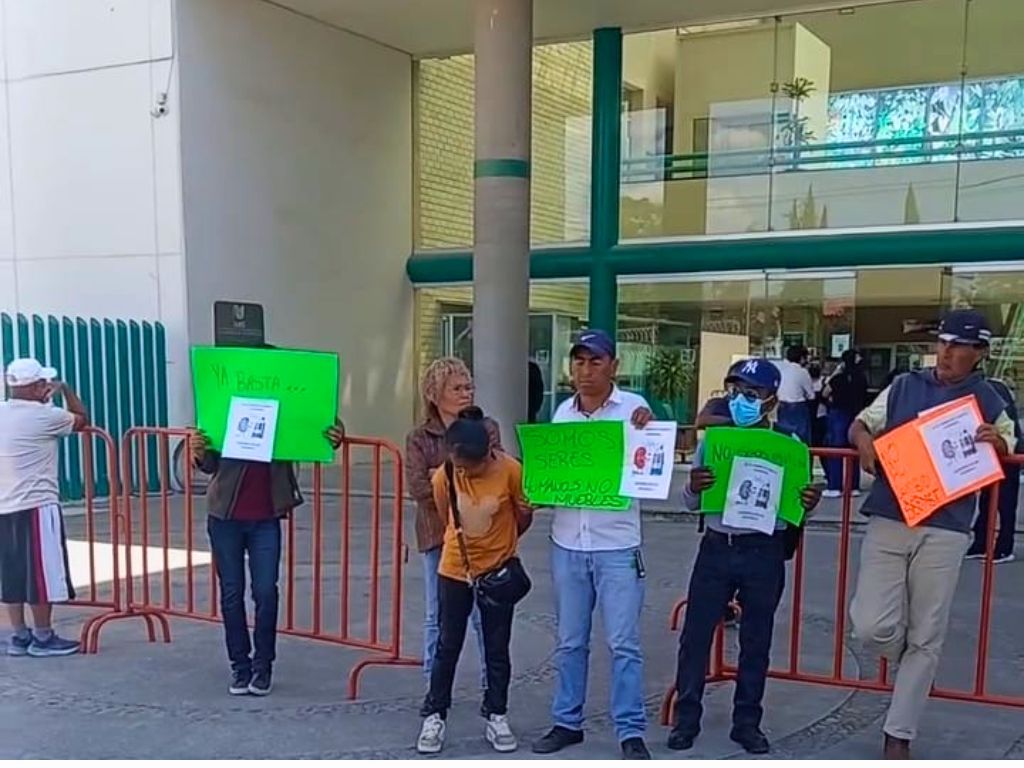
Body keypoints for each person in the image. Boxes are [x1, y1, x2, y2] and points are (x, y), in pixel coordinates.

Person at [847, 309, 1015, 760]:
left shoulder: (991, 397)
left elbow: (1009, 444)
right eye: (942, 342)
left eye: (958, 345)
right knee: (871, 624)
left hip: (946, 528)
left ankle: (898, 733)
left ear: (979, 353)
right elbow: (862, 422)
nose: (946, 352)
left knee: (928, 635)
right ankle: (914, 668)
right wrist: (864, 441)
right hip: (889, 515)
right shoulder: (904, 385)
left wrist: (996, 443)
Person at [668, 358, 821, 755]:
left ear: (771, 400)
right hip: (718, 546)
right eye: (734, 391)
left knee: (756, 639)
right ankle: (686, 719)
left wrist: (809, 501)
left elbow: (796, 507)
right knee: (696, 635)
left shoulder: (789, 447)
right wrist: (695, 488)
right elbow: (688, 504)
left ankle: (747, 722)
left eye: (751, 394)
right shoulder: (713, 443)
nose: (740, 401)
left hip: (763, 550)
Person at [531, 329, 655, 761]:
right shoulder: (562, 414)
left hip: (617, 544)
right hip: (568, 541)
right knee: (569, 641)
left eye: (595, 362)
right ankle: (567, 721)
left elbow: (650, 461)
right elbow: (553, 477)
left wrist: (648, 431)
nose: (585, 371)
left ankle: (630, 729)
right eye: (579, 362)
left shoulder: (635, 410)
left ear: (613, 366)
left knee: (623, 642)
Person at [191, 381, 345, 696]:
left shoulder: (285, 412)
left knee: (265, 592)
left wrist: (337, 431)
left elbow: (319, 422)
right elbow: (209, 464)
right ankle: (240, 666)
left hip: (266, 517)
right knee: (231, 593)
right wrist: (198, 451)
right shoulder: (224, 406)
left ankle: (263, 666)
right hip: (225, 517)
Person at [416, 407, 533, 754]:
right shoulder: (445, 476)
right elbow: (445, 515)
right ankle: (435, 714)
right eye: (465, 466)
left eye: (478, 465)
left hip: (497, 570)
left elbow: (522, 516)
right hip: (455, 571)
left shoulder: (511, 470)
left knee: (497, 648)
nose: (472, 471)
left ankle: (496, 714)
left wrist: (504, 545)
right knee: (447, 645)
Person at [406, 358, 498, 692]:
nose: (466, 393)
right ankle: (435, 689)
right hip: (437, 535)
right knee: (438, 615)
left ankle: (493, 688)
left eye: (469, 387)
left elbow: (495, 475)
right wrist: (460, 474)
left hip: (482, 536)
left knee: (485, 617)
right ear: (435, 394)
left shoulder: (486, 429)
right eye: (456, 388)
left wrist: (440, 475)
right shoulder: (419, 437)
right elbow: (417, 487)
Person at [0, 359, 90, 657]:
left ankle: (19, 635)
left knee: (11, 573)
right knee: (40, 573)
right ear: (38, 386)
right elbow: (81, 419)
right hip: (36, 504)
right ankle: (43, 635)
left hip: (4, 505)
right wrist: (65, 389)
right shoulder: (46, 416)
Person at [966, 377, 1021, 563]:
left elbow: (1008, 430)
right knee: (988, 499)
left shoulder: (991, 392)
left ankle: (1004, 547)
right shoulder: (990, 389)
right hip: (992, 453)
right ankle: (981, 543)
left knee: (1005, 502)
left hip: (1007, 452)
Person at [823, 349, 869, 498]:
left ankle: (835, 486)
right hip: (856, 415)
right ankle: (853, 486)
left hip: (838, 414)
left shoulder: (838, 378)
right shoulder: (861, 378)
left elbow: (825, 393)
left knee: (836, 451)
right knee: (853, 451)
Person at [776, 345, 815, 444]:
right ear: (801, 358)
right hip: (798, 408)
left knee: (784, 438)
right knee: (802, 440)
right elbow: (811, 395)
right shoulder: (802, 372)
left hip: (782, 406)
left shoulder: (781, 369)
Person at [528, 359, 545, 424]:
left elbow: (539, 389)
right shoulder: (532, 368)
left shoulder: (531, 368)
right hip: (532, 410)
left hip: (531, 410)